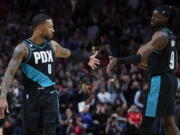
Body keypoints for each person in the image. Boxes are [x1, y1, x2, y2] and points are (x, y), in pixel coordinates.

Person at [0, 13, 100, 135]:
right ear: (40, 27)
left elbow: (68, 53)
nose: (53, 30)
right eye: (50, 27)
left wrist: (87, 59)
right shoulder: (22, 49)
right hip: (31, 95)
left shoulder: (52, 45)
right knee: (31, 131)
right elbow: (10, 73)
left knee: (51, 131)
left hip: (50, 93)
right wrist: (3, 96)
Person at [107, 5, 180, 135]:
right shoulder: (171, 35)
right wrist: (151, 64)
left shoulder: (160, 35)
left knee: (146, 124)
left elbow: (140, 57)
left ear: (166, 19)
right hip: (171, 80)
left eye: (157, 16)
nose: (153, 18)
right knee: (169, 124)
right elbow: (167, 60)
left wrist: (118, 61)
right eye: (152, 15)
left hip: (160, 80)